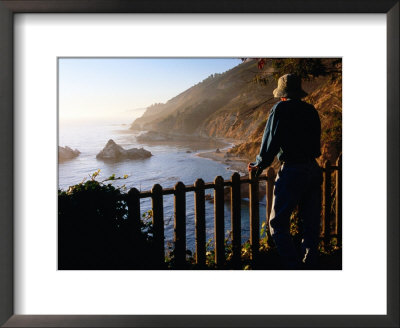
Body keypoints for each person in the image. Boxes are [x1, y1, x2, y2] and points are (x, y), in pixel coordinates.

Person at [248, 74, 322, 269]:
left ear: (282, 94)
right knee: (311, 225)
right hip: (313, 169)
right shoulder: (311, 110)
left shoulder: (280, 109)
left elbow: (270, 142)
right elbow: (316, 146)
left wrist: (259, 164)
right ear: (299, 93)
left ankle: (294, 267)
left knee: (278, 226)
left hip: (293, 170)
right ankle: (310, 264)